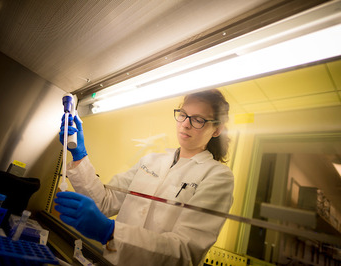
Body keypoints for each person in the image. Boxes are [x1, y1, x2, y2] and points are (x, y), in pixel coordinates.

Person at [55, 88, 234, 265]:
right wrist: (80, 155)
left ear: (217, 130)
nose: (185, 124)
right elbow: (104, 202)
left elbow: (185, 251)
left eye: (198, 120)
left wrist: (110, 232)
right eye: (183, 114)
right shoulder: (150, 161)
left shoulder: (218, 176)